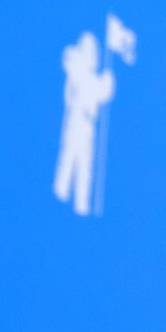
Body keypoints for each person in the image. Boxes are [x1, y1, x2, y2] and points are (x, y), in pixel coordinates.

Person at [53, 30, 114, 216]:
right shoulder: (78, 71)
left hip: (88, 124)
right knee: (70, 155)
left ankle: (82, 203)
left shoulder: (90, 77)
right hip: (76, 119)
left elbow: (103, 93)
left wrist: (108, 82)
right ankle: (61, 191)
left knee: (85, 163)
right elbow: (69, 60)